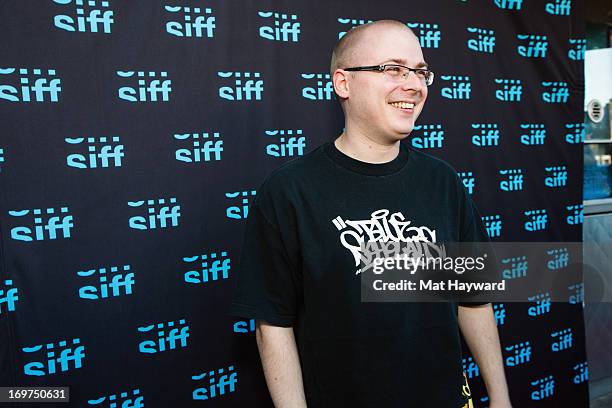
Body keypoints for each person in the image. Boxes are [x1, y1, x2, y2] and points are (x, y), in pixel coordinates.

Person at [230, 19, 512, 408]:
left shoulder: (443, 182)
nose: (414, 84)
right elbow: (273, 325)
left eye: (420, 70)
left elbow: (473, 299)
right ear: (343, 83)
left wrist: (500, 397)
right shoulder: (289, 191)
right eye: (392, 69)